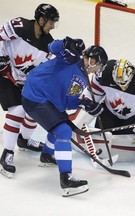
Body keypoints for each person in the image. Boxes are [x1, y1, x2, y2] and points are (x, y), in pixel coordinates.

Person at [22, 39, 108, 197]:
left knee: (62, 126)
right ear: (93, 60)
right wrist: (66, 43)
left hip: (47, 101)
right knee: (63, 132)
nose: (97, 70)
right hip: (35, 96)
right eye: (99, 66)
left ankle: (47, 155)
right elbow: (51, 47)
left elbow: (67, 101)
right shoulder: (70, 57)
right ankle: (66, 179)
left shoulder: (82, 77)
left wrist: (84, 103)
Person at [0, 3, 60, 178]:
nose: (52, 26)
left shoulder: (49, 44)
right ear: (41, 20)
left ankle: (24, 140)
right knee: (17, 110)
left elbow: (47, 68)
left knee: (34, 109)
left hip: (24, 83)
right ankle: (8, 153)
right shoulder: (19, 26)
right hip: (3, 78)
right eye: (50, 22)